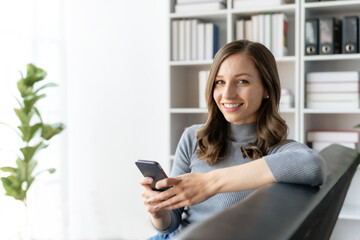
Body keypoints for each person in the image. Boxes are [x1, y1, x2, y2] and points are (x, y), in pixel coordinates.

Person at [139, 40, 327, 240]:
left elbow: (313, 166)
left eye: (242, 81)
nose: (227, 94)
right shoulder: (193, 137)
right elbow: (170, 224)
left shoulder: (278, 150)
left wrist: (210, 183)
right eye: (220, 82)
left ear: (267, 89)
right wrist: (159, 211)